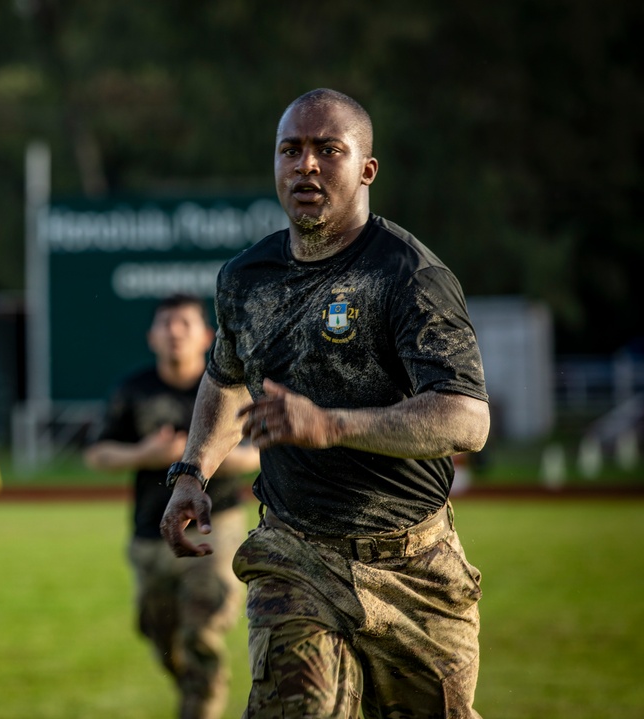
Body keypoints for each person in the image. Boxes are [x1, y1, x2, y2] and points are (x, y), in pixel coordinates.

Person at [160, 89, 490, 719]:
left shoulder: (409, 275)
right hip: (294, 553)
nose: (306, 165)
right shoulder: (244, 278)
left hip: (412, 562)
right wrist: (192, 471)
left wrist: (331, 424)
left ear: (366, 169)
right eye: (292, 150)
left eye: (327, 151)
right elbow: (226, 379)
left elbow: (467, 419)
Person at [84, 293, 261, 719]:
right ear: (152, 336)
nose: (174, 333)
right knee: (159, 633)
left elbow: (259, 452)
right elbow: (97, 455)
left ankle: (201, 701)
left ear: (206, 336)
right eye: (166, 324)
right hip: (149, 533)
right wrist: (145, 453)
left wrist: (196, 458)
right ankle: (195, 686)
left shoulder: (229, 389)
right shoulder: (134, 389)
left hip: (212, 525)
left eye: (185, 324)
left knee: (200, 633)